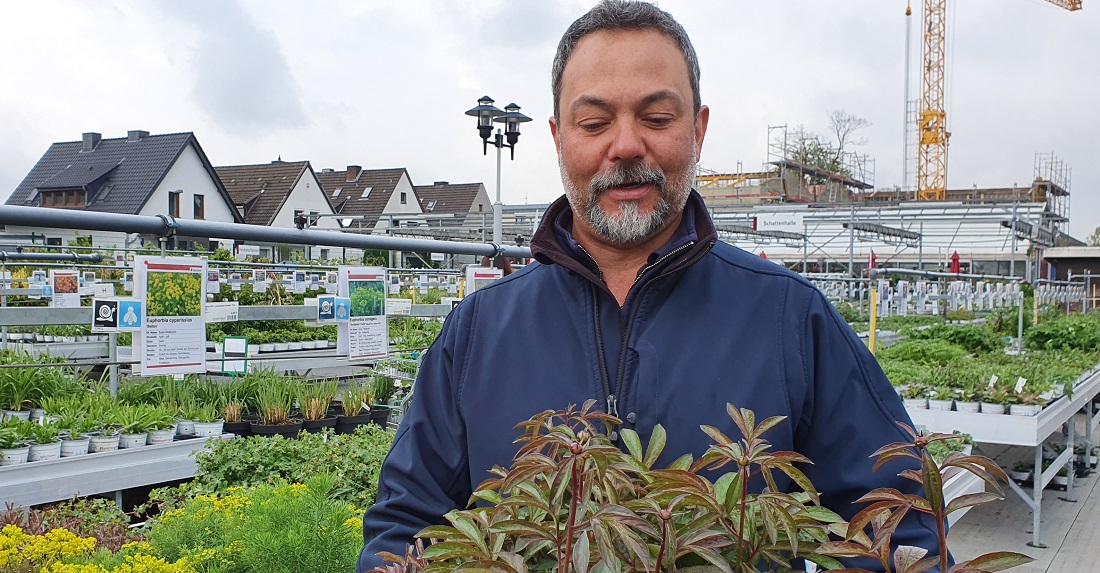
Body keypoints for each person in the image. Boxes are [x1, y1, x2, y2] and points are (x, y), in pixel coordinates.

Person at [357, 2, 943, 571]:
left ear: (699, 129)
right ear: (559, 137)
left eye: (657, 118)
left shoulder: (791, 317)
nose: (627, 145)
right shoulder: (479, 330)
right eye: (594, 122)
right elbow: (407, 527)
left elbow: (899, 528)